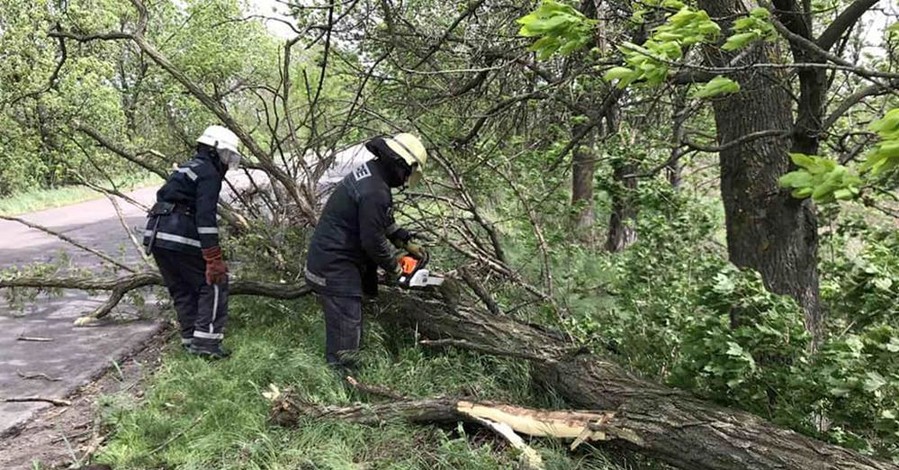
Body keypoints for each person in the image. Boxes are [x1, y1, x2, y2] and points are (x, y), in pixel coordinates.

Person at [304, 133, 428, 373]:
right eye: (406, 174)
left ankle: (344, 374)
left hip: (332, 257)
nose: (404, 181)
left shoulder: (372, 173)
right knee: (346, 331)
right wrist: (396, 267)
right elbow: (372, 240)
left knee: (349, 322)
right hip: (335, 265)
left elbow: (380, 219)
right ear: (400, 164)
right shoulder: (376, 191)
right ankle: (343, 386)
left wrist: (404, 241)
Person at [143, 125, 242, 359]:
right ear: (215, 150)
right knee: (215, 284)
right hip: (180, 234)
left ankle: (190, 341)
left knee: (182, 288)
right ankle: (207, 345)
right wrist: (213, 258)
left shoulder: (188, 167)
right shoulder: (208, 172)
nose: (227, 164)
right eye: (227, 156)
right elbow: (205, 217)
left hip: (157, 235)